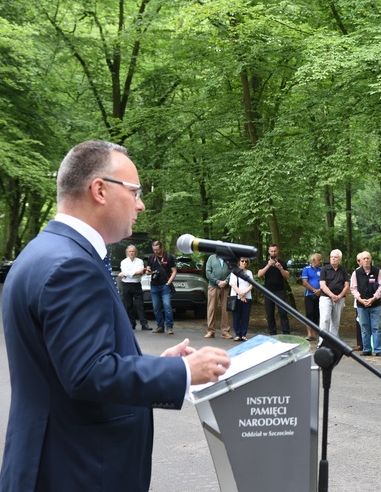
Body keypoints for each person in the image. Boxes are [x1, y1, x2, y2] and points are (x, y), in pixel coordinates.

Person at [0, 140, 230, 491]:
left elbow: (70, 361)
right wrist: (182, 371)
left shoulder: (45, 251)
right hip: (76, 469)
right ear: (100, 190)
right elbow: (89, 373)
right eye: (135, 191)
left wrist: (157, 363)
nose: (140, 204)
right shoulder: (71, 265)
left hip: (55, 460)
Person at [351, 251, 381, 356]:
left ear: (371, 259)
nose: (366, 260)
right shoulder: (356, 273)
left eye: (368, 258)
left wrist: (374, 298)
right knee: (364, 327)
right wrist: (360, 299)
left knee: (376, 327)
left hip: (375, 304)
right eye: (364, 259)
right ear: (360, 261)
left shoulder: (377, 271)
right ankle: (366, 349)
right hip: (361, 305)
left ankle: (378, 350)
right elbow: (353, 288)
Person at [257, 244, 291, 335]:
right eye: (271, 251)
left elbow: (287, 276)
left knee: (283, 313)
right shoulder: (265, 263)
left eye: (275, 251)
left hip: (280, 291)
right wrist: (268, 265)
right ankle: (272, 334)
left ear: (278, 251)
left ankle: (286, 334)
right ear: (269, 252)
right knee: (270, 314)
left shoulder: (282, 263)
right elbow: (259, 275)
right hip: (268, 291)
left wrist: (280, 268)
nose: (273, 252)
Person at [318, 249, 349, 343]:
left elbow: (346, 285)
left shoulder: (343, 270)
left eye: (335, 257)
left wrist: (339, 296)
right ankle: (322, 342)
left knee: (335, 321)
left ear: (339, 259)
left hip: (339, 298)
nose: (333, 259)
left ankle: (333, 343)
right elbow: (322, 285)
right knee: (325, 319)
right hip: (326, 297)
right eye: (331, 257)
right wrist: (332, 295)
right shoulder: (324, 269)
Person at [147, 239, 177, 335]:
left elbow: (174, 271)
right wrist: (148, 271)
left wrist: (169, 282)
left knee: (167, 306)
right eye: (154, 250)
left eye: (157, 250)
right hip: (154, 286)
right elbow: (149, 270)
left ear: (162, 248)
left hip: (165, 286)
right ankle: (160, 326)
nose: (155, 252)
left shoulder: (169, 257)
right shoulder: (151, 258)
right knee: (156, 307)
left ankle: (169, 327)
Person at [119, 244, 151, 330]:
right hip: (126, 285)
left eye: (133, 251)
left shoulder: (140, 261)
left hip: (136, 284)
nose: (131, 253)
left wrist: (128, 274)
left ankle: (144, 324)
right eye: (130, 251)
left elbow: (140, 272)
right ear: (127, 253)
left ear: (136, 252)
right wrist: (134, 273)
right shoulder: (123, 262)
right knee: (128, 305)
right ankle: (131, 323)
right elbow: (125, 272)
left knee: (140, 305)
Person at [205, 253, 232, 339]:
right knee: (211, 308)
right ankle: (210, 331)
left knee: (226, 309)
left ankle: (225, 331)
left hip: (226, 286)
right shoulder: (211, 258)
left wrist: (226, 281)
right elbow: (208, 272)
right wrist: (217, 282)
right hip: (213, 286)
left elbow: (233, 271)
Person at [229, 257, 254, 341]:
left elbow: (251, 284)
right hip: (236, 297)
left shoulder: (249, 273)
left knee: (245, 316)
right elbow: (233, 284)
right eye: (242, 261)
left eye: (246, 261)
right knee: (236, 316)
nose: (244, 263)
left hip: (247, 297)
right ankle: (237, 334)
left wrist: (244, 294)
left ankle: (244, 334)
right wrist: (241, 295)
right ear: (239, 262)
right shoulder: (234, 272)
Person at [301, 253, 323, 341]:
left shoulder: (321, 270)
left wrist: (320, 290)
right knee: (309, 313)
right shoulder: (306, 269)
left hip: (320, 295)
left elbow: (324, 282)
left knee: (316, 313)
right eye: (319, 259)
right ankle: (309, 333)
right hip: (309, 295)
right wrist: (314, 290)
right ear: (314, 260)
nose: (321, 261)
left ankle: (315, 333)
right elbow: (305, 282)